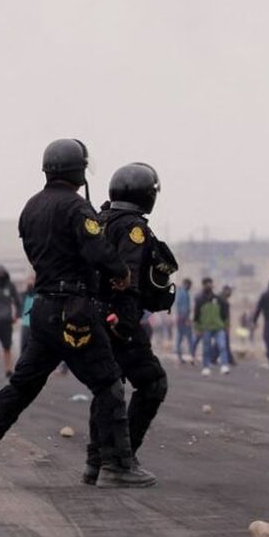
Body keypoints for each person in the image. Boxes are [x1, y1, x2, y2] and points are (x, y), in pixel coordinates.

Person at [0, 138, 153, 488]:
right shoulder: (77, 208)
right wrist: (121, 272)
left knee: (20, 388)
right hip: (74, 309)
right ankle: (117, 465)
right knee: (108, 383)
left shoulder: (31, 207)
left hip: (41, 309)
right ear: (79, 170)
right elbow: (97, 252)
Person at [97, 162, 178, 483]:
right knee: (152, 382)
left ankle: (98, 462)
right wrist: (126, 322)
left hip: (93, 312)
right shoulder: (133, 228)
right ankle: (119, 461)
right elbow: (128, 277)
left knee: (107, 386)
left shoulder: (99, 220)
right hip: (119, 316)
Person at [194, 277, 229, 375]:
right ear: (203, 285)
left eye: (210, 283)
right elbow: (196, 315)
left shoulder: (217, 299)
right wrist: (197, 328)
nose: (209, 285)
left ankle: (224, 365)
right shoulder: (199, 299)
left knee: (222, 346)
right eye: (207, 283)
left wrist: (225, 324)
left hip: (218, 327)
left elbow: (224, 311)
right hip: (206, 328)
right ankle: (206, 367)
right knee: (206, 348)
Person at [173, 278, 194, 364]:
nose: (190, 287)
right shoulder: (183, 293)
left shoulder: (179, 292)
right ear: (186, 284)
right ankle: (191, 356)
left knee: (180, 338)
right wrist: (186, 319)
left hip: (180, 319)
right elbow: (183, 308)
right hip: (183, 319)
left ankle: (181, 356)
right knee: (188, 338)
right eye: (189, 285)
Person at [17, 275, 36, 356]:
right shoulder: (22, 295)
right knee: (23, 346)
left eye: (32, 281)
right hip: (25, 324)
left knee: (34, 347)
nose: (30, 283)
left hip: (35, 325)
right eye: (28, 281)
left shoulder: (38, 295)